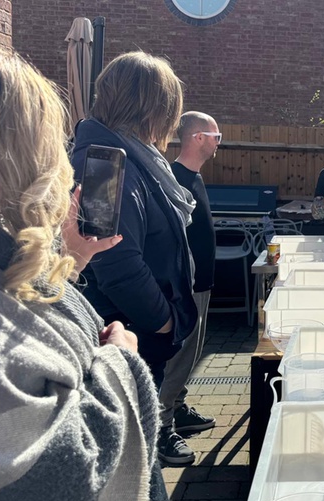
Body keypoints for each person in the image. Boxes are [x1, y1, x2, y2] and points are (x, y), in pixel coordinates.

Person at [0, 42, 170, 501]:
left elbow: (17, 315)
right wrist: (121, 364)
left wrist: (76, 259)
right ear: (5, 152)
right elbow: (43, 483)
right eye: (46, 138)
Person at [71, 52, 198, 396]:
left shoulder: (127, 153)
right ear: (152, 106)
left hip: (135, 334)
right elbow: (116, 265)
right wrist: (164, 323)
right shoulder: (103, 165)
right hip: (126, 340)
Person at [152, 111, 220, 464]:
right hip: (185, 287)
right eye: (215, 135)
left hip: (202, 284)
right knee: (178, 358)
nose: (219, 142)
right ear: (197, 138)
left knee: (191, 355)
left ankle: (177, 408)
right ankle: (160, 429)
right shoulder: (173, 180)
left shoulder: (194, 177)